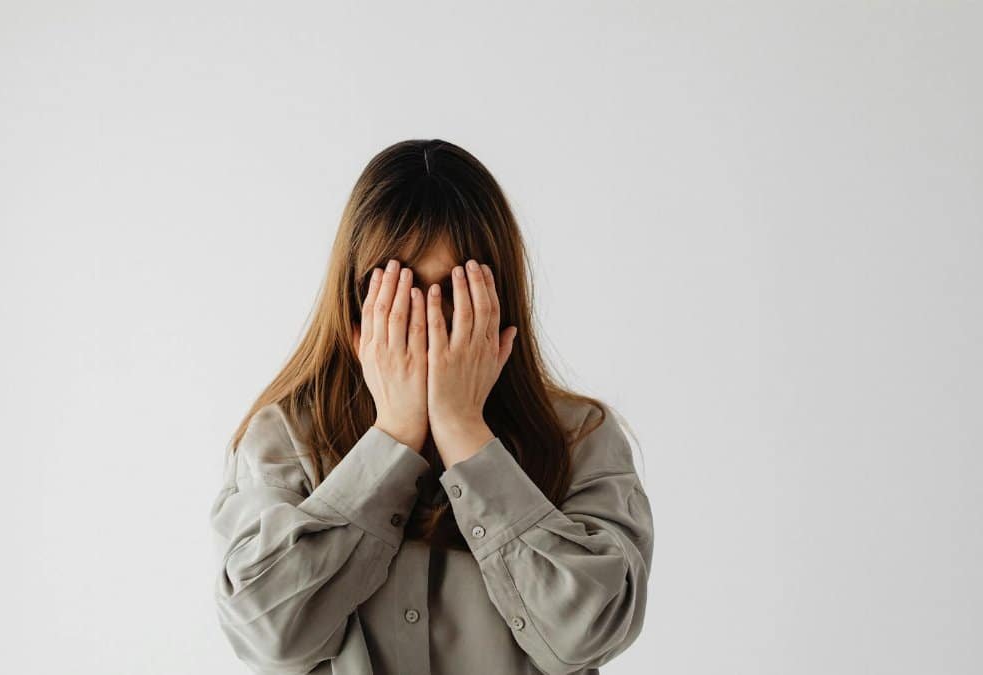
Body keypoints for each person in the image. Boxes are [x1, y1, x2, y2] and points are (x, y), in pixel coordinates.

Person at [209, 139, 655, 674]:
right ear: (355, 299)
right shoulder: (285, 438)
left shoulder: (581, 437)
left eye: (452, 293)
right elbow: (268, 636)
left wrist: (464, 431)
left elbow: (589, 632)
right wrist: (393, 437)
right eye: (397, 292)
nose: (425, 323)